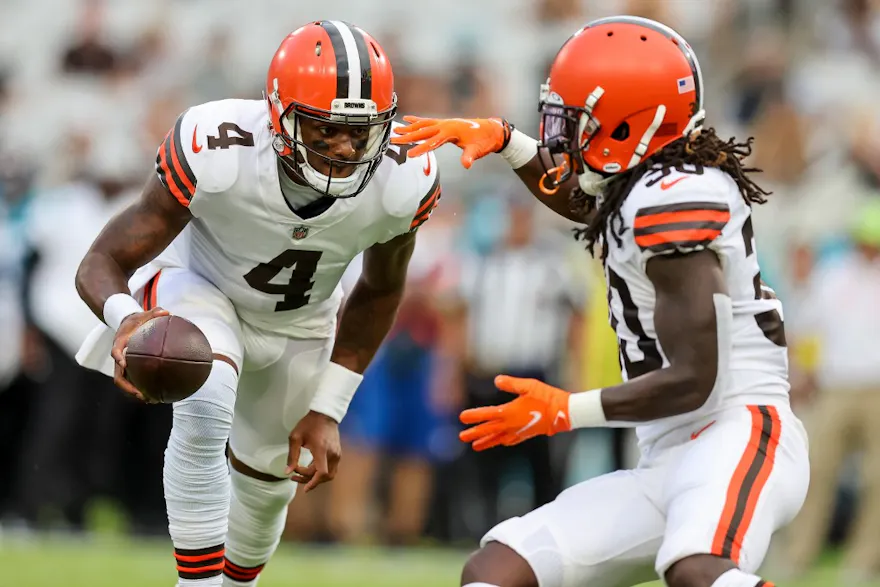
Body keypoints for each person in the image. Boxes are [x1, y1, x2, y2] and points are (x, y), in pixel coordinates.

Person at [392, 15, 808, 587]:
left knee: (698, 573)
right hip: (668, 456)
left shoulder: (675, 199)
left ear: (624, 125)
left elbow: (698, 378)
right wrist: (508, 142)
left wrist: (565, 410)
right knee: (497, 568)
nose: (561, 135)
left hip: (738, 430)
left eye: (575, 120)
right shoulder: (643, 185)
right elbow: (593, 205)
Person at [75, 20, 440, 587]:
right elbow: (101, 261)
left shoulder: (402, 178)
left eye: (360, 131)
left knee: (268, 488)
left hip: (302, 322)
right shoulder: (217, 147)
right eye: (324, 130)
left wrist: (330, 405)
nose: (345, 148)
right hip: (202, 290)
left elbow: (380, 288)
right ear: (278, 115)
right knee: (205, 394)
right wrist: (127, 322)